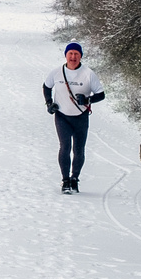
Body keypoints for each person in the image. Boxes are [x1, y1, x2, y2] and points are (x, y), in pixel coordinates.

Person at [43, 41, 105, 194]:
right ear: (66, 55)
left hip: (81, 117)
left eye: (76, 54)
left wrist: (88, 100)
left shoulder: (88, 74)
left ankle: (74, 179)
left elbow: (101, 94)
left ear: (81, 56)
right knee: (65, 147)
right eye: (70, 54)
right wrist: (49, 103)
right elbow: (46, 86)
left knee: (79, 150)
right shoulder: (56, 72)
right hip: (62, 116)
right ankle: (65, 181)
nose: (73, 57)